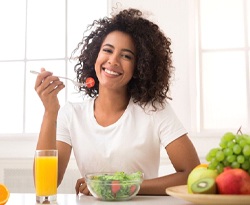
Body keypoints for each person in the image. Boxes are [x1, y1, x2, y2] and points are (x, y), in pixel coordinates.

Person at [33, 8, 200, 196]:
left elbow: (192, 174)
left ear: (140, 67)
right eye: (107, 50)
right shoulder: (72, 114)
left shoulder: (154, 110)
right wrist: (50, 112)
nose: (113, 60)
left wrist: (119, 186)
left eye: (126, 56)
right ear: (96, 55)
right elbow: (46, 184)